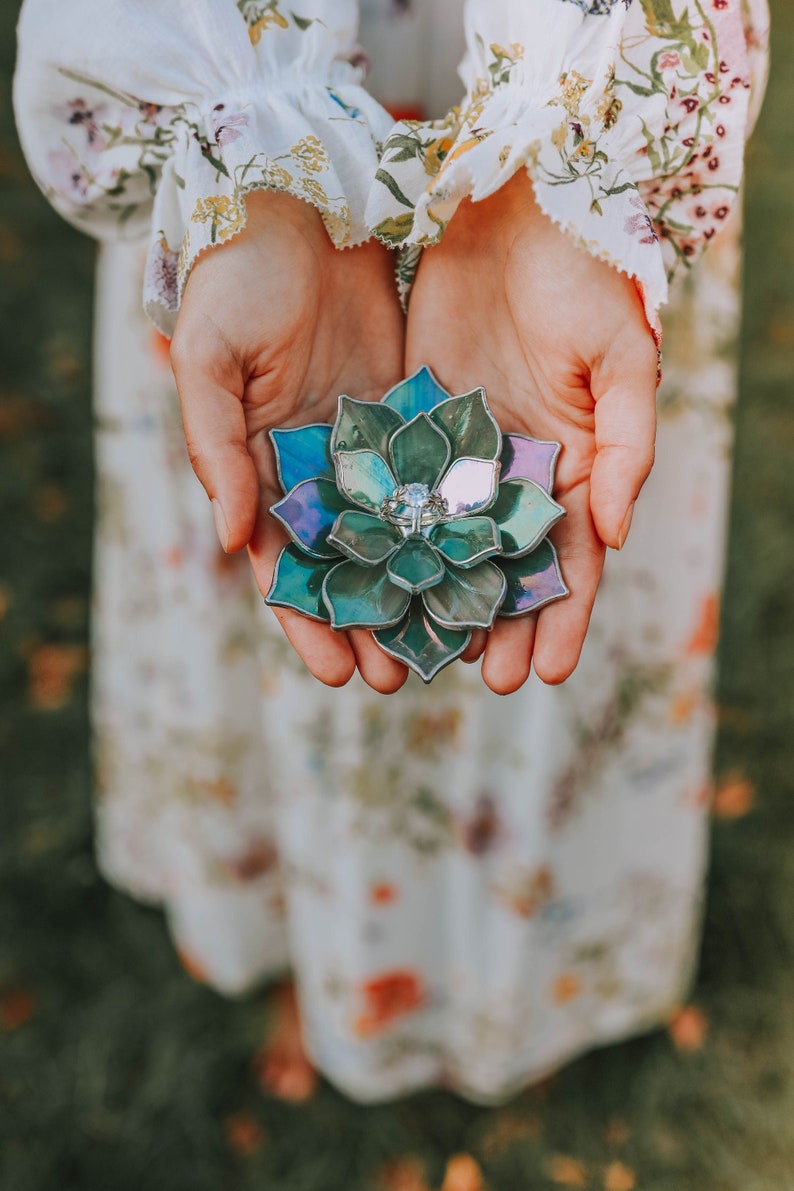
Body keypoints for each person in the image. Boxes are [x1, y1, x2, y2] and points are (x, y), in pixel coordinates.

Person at [14, 0, 769, 1104]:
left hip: (558, 126)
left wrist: (558, 175)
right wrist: (257, 170)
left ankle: (516, 967)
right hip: (255, 84)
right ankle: (306, 942)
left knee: (573, 495)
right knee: (262, 469)